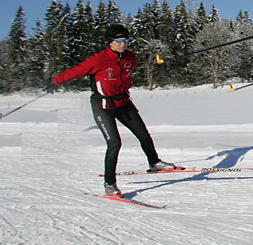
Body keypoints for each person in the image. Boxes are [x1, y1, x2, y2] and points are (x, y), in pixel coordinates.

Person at [49, 24, 181, 197]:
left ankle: (154, 162)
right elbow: (77, 71)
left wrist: (162, 60)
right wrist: (55, 81)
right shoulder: (99, 59)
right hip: (103, 106)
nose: (123, 44)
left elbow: (139, 66)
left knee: (143, 134)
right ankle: (109, 184)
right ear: (110, 42)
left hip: (124, 103)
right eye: (119, 40)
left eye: (126, 40)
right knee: (114, 144)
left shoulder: (130, 58)